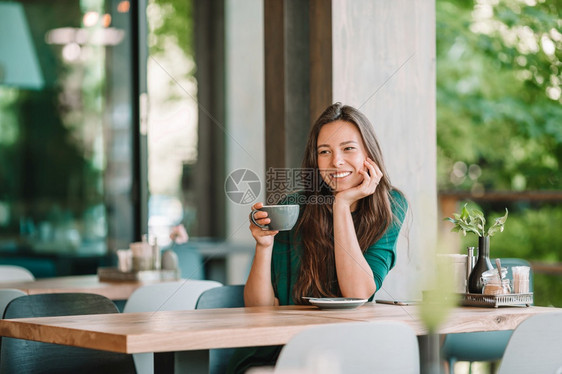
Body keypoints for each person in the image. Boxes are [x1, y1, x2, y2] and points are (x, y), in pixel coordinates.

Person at [227, 102, 408, 373]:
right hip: (281, 352)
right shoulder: (293, 207)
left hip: (348, 350)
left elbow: (357, 292)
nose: (336, 161)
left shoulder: (390, 205)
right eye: (325, 152)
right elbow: (260, 309)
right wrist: (264, 246)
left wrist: (341, 205)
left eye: (348, 148)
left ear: (369, 154)